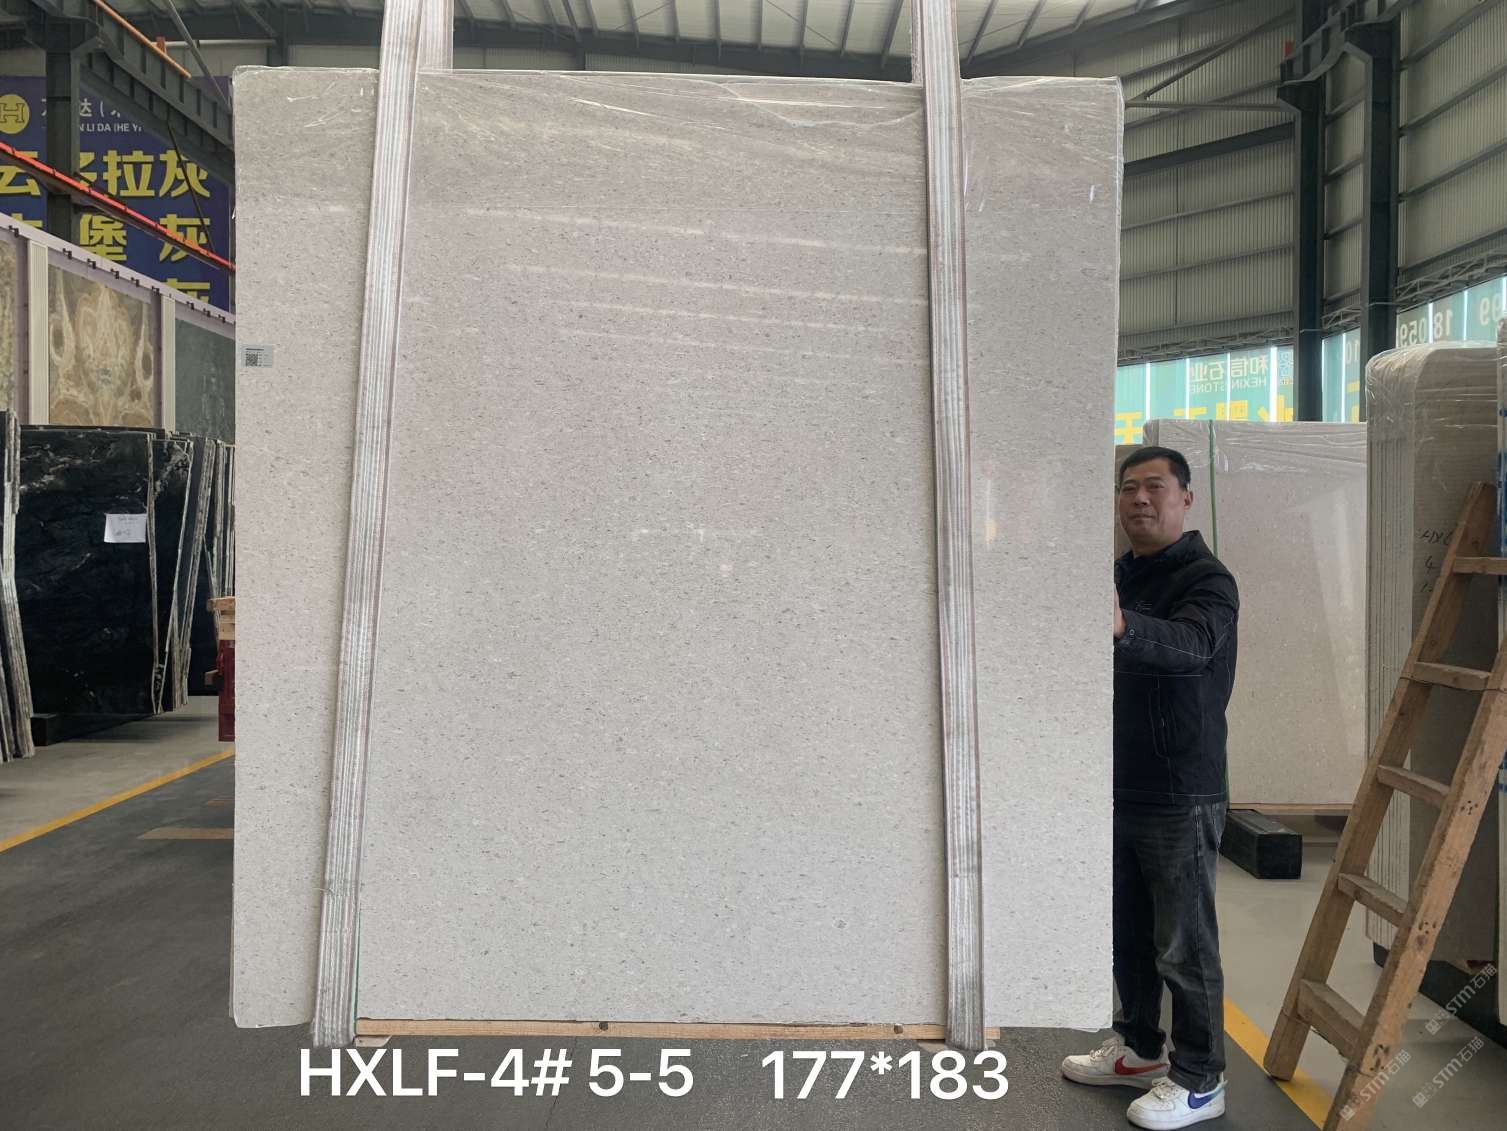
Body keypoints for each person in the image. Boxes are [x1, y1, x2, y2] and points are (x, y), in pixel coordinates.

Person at [1060, 445, 1239, 1130]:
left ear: (1185, 498)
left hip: (1180, 789)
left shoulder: (1208, 580)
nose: (1138, 498)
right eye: (1128, 487)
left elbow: (1193, 645)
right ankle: (1138, 1047)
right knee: (1128, 932)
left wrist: (1122, 625)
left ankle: (1200, 1076)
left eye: (1154, 487)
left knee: (1183, 945)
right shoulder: (1116, 574)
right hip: (1116, 782)